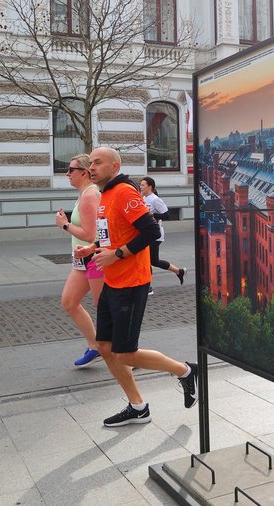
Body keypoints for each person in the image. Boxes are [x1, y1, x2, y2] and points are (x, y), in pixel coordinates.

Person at [73, 147, 197, 427]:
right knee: (105, 347)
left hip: (131, 282)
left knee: (126, 353)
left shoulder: (125, 192)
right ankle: (138, 406)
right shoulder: (104, 194)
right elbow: (112, 234)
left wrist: (117, 254)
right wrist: (93, 249)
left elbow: (151, 231)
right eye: (90, 162)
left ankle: (185, 370)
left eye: (98, 162)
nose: (91, 167)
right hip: (112, 282)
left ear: (114, 166)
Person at [55, 154, 105, 368]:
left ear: (83, 172)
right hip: (81, 260)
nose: (67, 174)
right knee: (69, 302)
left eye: (71, 170)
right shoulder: (83, 194)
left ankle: (125, 352)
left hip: (94, 257)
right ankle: (95, 346)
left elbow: (91, 234)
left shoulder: (89, 196)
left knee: (104, 308)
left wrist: (64, 225)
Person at [139, 176, 187, 286]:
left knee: (147, 260)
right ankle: (179, 271)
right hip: (147, 233)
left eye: (143, 185)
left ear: (150, 187)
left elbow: (167, 215)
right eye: (140, 185)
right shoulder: (143, 198)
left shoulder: (155, 199)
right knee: (153, 261)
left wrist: (152, 214)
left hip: (156, 234)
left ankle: (147, 287)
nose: (140, 187)